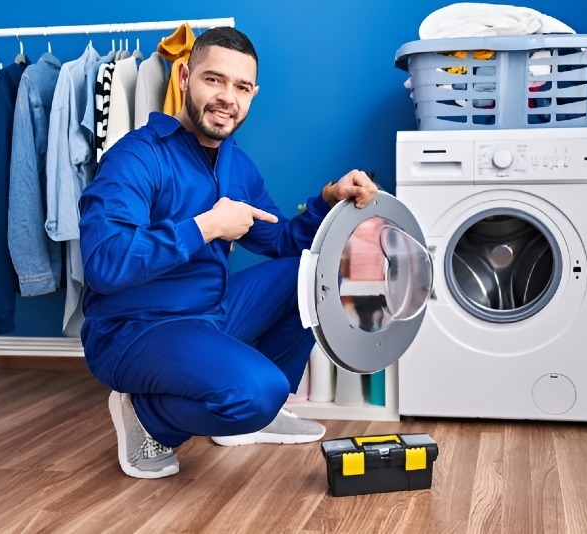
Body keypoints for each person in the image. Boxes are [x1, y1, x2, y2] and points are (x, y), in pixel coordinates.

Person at [78, 27, 377, 479]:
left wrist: (329, 199)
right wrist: (207, 226)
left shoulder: (236, 163)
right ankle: (148, 418)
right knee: (255, 392)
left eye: (240, 87)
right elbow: (104, 263)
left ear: (253, 94)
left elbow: (279, 240)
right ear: (184, 76)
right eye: (213, 80)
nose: (226, 98)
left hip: (209, 315)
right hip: (134, 331)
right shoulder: (135, 157)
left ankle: (261, 409)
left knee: (312, 273)